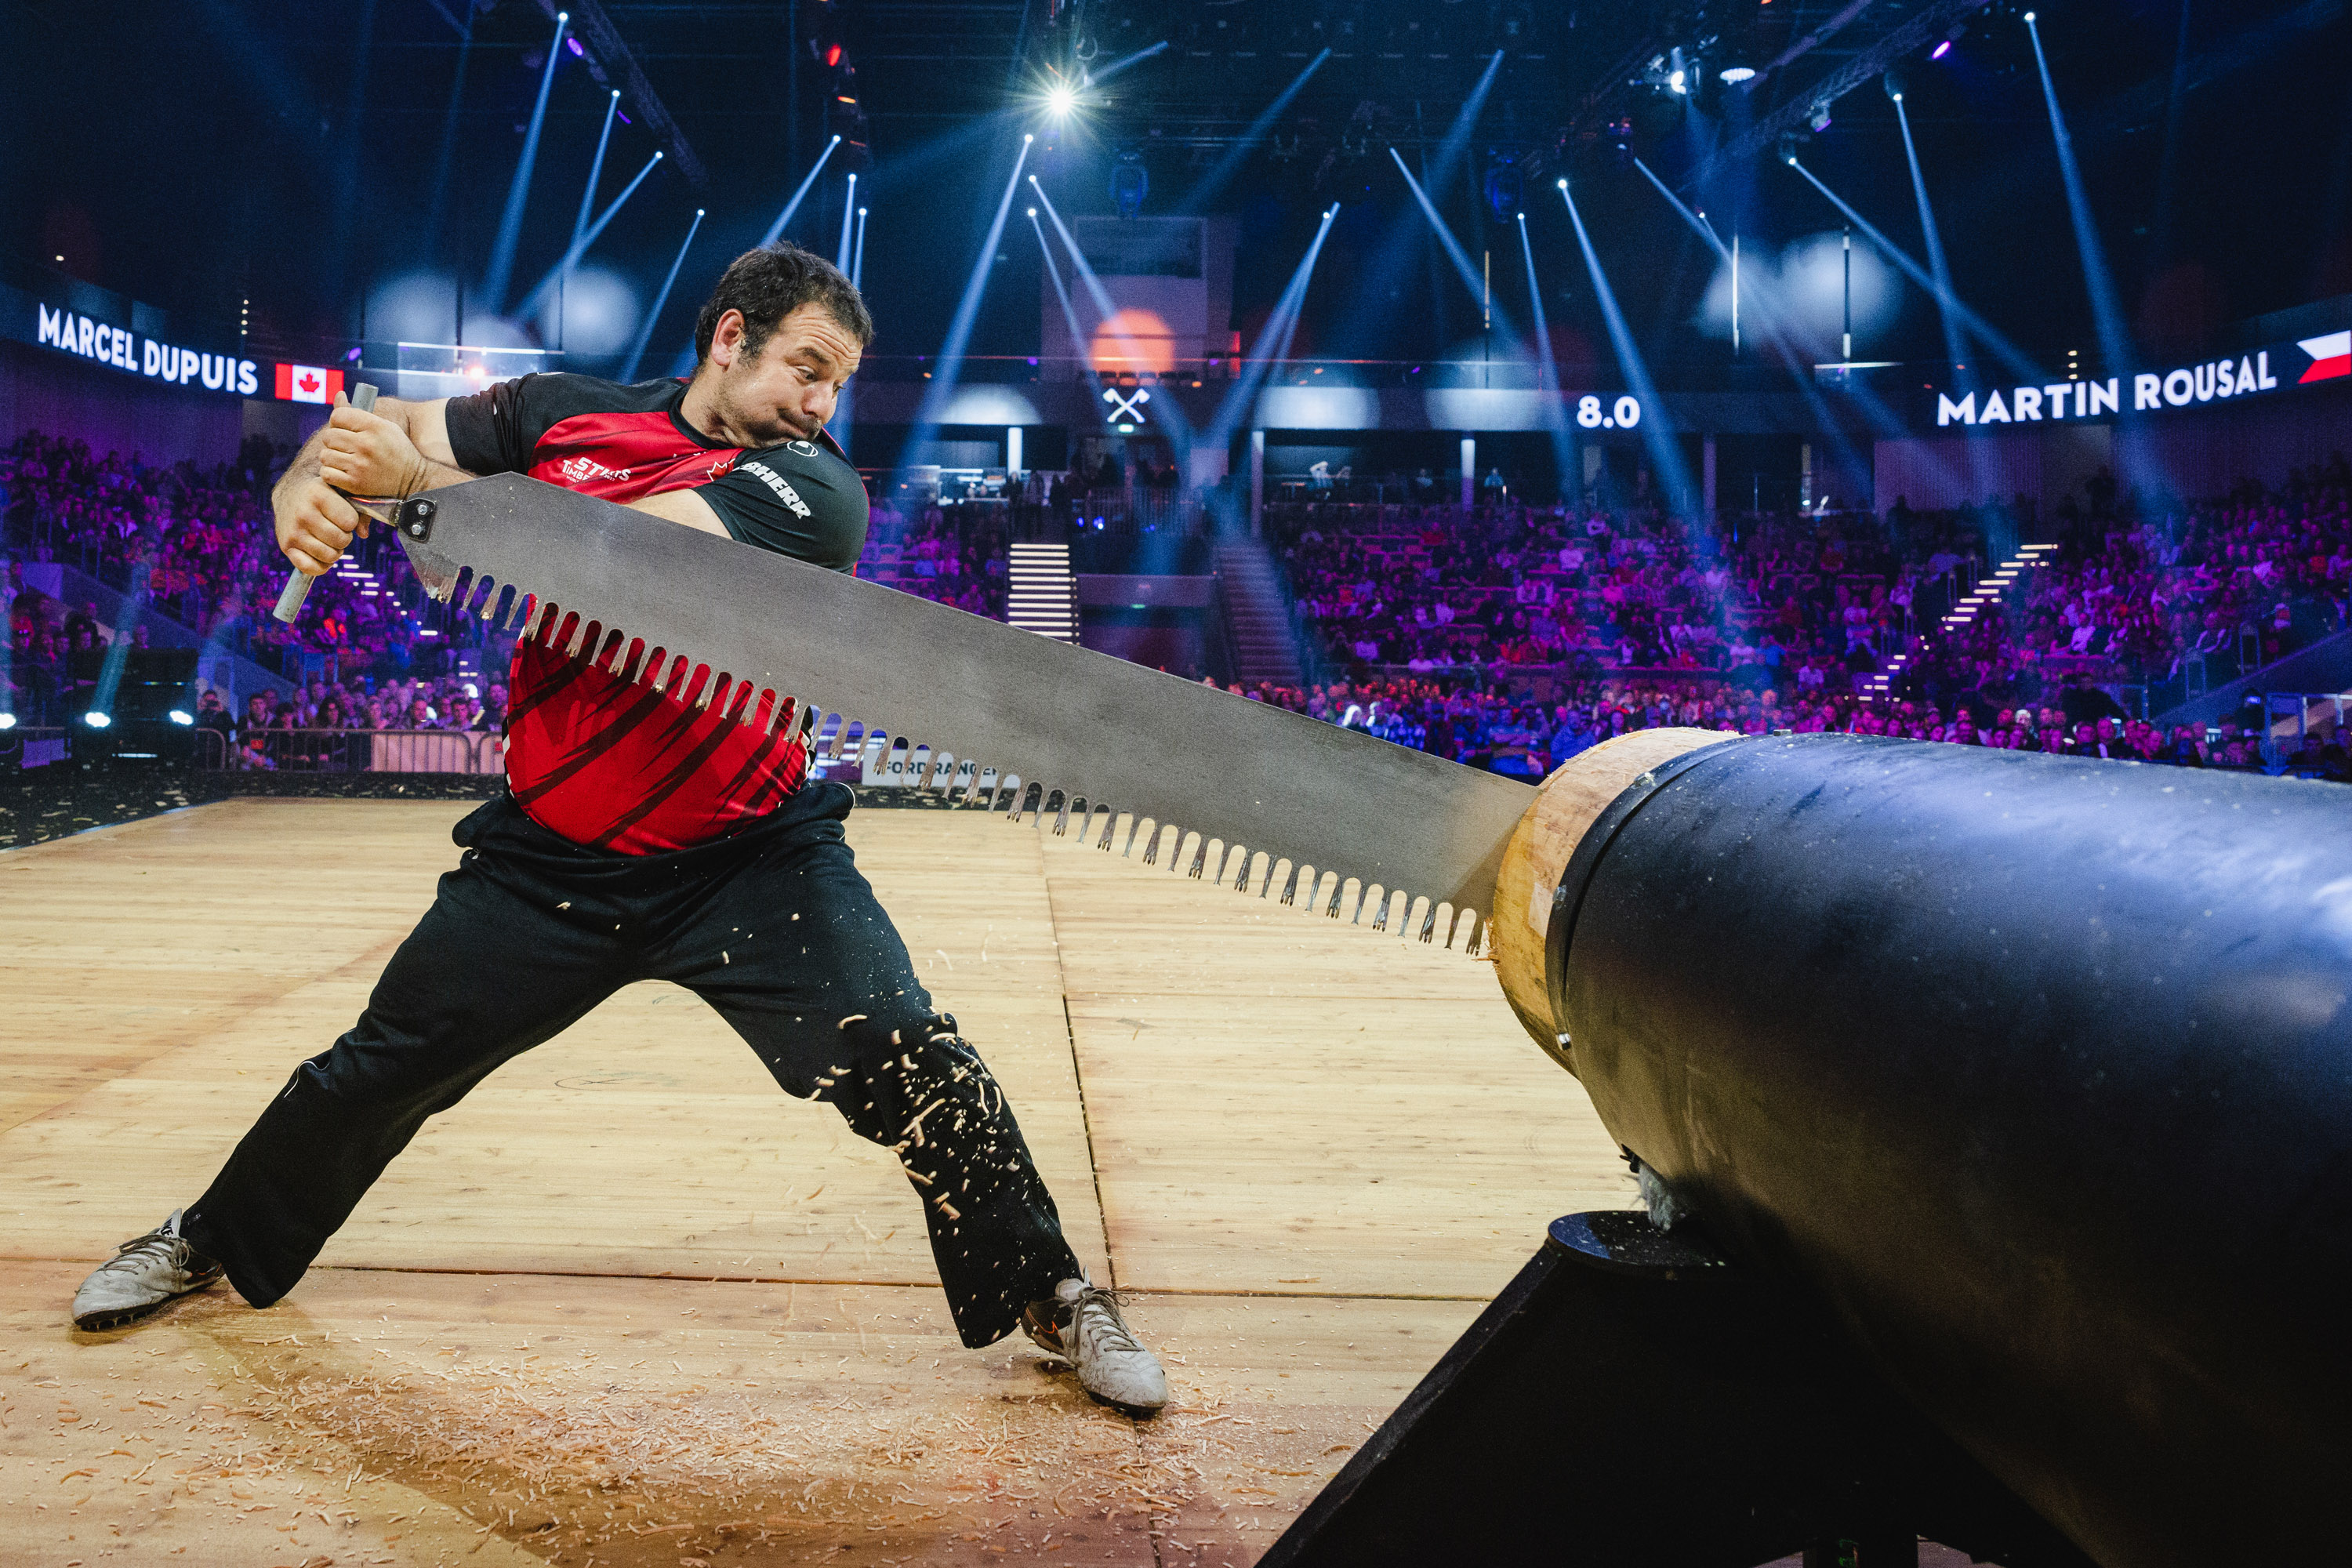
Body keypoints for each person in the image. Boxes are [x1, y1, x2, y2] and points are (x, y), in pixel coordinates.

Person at [71, 242, 1167, 1417]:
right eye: (807, 367)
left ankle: (1053, 1290)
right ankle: (211, 1240)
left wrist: (416, 491)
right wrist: (318, 468)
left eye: (837, 384)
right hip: (552, 855)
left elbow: (621, 560)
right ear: (729, 335)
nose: (821, 402)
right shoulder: (561, 413)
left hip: (749, 856)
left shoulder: (816, 490)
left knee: (909, 1051)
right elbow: (382, 420)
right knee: (379, 1068)